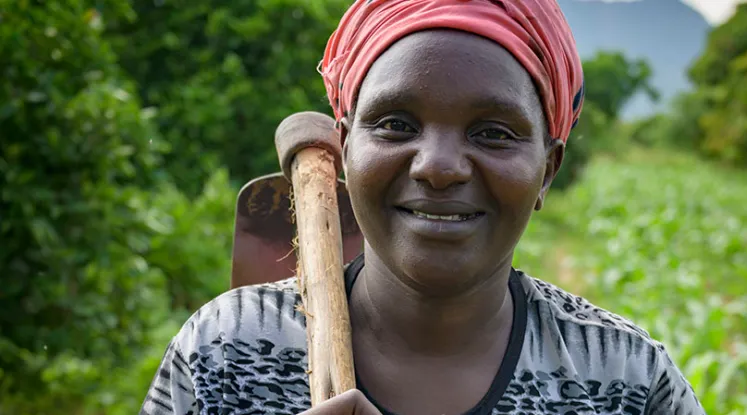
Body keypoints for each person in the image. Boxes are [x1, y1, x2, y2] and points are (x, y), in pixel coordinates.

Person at [140, 0, 706, 414]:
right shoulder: (223, 352)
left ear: (547, 171)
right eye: (395, 125)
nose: (437, 166)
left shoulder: (628, 382)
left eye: (493, 132)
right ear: (345, 148)